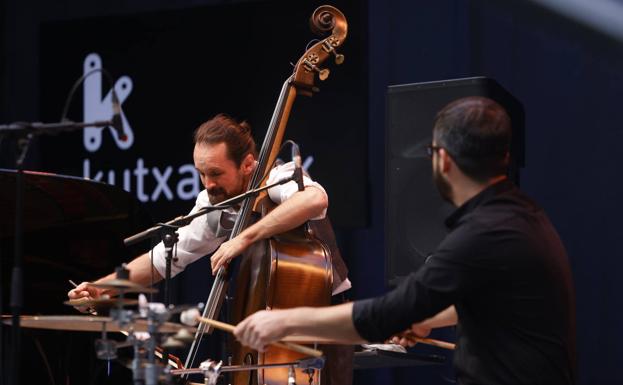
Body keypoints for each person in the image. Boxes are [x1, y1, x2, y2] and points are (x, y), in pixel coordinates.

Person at [233, 97, 577, 385]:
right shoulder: (521, 215)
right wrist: (427, 320)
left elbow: (387, 315)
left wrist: (283, 322)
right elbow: (490, 302)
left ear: (442, 159)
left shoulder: (483, 233)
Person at [68, 113, 350, 301]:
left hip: (325, 307)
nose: (208, 184)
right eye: (201, 173)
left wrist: (243, 238)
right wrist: (102, 288)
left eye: (215, 173)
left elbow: (315, 199)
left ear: (248, 164)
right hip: (270, 320)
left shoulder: (276, 177)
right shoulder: (213, 203)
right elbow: (163, 259)